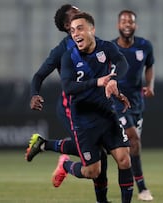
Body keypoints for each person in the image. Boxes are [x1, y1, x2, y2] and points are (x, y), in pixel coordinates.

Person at [25, 5, 111, 203]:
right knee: (96, 156)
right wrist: (34, 94)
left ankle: (45, 145)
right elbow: (39, 75)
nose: (80, 13)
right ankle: (64, 165)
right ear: (66, 25)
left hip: (95, 106)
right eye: (75, 13)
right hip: (72, 108)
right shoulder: (62, 50)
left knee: (99, 154)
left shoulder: (93, 41)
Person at [53, 12, 133, 203]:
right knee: (92, 171)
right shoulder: (68, 57)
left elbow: (123, 63)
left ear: (92, 29)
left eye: (80, 28)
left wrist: (113, 79)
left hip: (107, 114)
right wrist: (98, 82)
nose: (76, 34)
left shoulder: (106, 48)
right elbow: (68, 87)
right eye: (72, 31)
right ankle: (66, 166)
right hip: (83, 120)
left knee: (124, 159)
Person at [111, 10, 155, 201]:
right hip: (117, 102)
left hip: (137, 103)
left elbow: (150, 66)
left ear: (135, 25)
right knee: (133, 138)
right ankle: (143, 188)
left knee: (131, 148)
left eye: (131, 21)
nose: (127, 24)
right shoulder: (111, 48)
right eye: (123, 21)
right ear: (118, 25)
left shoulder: (145, 46)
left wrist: (150, 85)